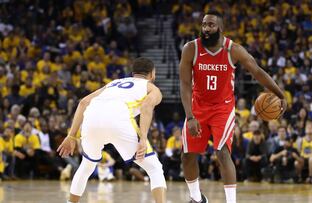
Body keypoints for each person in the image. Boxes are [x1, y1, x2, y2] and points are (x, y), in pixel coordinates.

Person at [179, 11, 286, 203]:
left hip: (223, 107)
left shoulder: (233, 50)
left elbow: (257, 71)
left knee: (222, 152)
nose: (206, 28)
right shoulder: (191, 49)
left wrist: (280, 94)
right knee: (187, 156)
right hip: (197, 106)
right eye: (204, 24)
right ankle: (196, 198)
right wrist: (190, 116)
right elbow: (185, 84)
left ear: (220, 27)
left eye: (210, 25)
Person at [57, 57, 167, 203]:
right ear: (152, 74)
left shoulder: (114, 83)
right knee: (154, 168)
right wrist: (144, 139)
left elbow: (83, 102)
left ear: (133, 73)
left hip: (91, 118)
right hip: (118, 119)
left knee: (86, 166)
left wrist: (71, 136)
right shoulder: (151, 87)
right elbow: (147, 106)